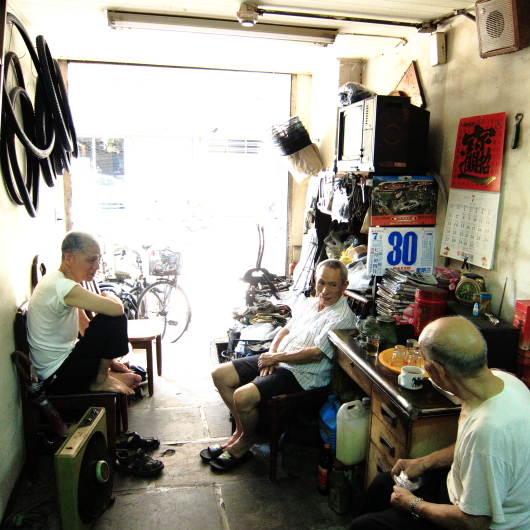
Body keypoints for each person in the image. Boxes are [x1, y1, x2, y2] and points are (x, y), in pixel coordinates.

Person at [349, 315, 530, 530]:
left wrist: (413, 504)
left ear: (438, 371)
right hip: (459, 491)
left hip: (474, 521)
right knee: (382, 484)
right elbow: (468, 449)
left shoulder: (488, 431)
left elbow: (474, 522)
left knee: (363, 526)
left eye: (423, 360)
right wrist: (425, 462)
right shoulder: (504, 381)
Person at [27, 231, 164, 476]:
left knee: (133, 373)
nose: (96, 266)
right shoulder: (61, 286)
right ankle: (100, 382)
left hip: (65, 367)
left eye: (98, 259)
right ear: (69, 258)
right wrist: (110, 297)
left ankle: (118, 435)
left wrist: (110, 362)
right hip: (58, 379)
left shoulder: (62, 283)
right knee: (115, 315)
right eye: (91, 260)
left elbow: (84, 326)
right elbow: (115, 310)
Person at [203, 259, 357, 472]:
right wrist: (272, 353)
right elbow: (285, 330)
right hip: (280, 359)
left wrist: (276, 358)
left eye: (333, 284)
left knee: (242, 396)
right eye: (321, 282)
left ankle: (245, 442)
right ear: (315, 280)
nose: (325, 290)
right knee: (220, 374)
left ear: (344, 286)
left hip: (303, 374)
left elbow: (316, 353)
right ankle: (241, 432)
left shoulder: (342, 317)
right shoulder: (311, 303)